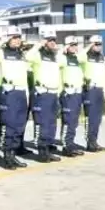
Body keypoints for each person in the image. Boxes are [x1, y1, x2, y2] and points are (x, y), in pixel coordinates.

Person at [0, 31, 29, 170]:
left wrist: (27, 96)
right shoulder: (1, 52)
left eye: (18, 38)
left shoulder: (21, 54)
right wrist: (2, 40)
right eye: (13, 38)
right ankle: (7, 156)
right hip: (9, 92)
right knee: (8, 125)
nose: (17, 40)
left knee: (19, 126)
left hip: (21, 91)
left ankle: (13, 154)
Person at [26, 32, 62, 163]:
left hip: (53, 93)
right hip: (42, 93)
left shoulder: (55, 57)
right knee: (42, 123)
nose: (53, 42)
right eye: (49, 40)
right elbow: (28, 56)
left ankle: (48, 149)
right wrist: (38, 44)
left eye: (54, 40)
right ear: (44, 42)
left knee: (51, 124)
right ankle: (41, 152)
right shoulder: (37, 55)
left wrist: (58, 51)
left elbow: (64, 61)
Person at [58, 37, 86, 157]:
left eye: (76, 45)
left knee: (74, 121)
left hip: (77, 92)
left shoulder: (77, 59)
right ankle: (66, 146)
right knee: (68, 121)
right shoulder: (62, 59)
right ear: (66, 46)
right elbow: (57, 60)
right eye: (72, 45)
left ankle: (71, 143)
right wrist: (62, 50)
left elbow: (84, 58)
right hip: (68, 93)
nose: (75, 47)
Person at [81, 36, 105, 152]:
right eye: (96, 44)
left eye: (100, 44)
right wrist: (88, 47)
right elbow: (78, 57)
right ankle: (89, 143)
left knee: (97, 119)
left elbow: (104, 75)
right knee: (90, 118)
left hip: (100, 89)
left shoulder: (102, 57)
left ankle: (94, 141)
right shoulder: (85, 56)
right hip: (90, 89)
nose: (98, 46)